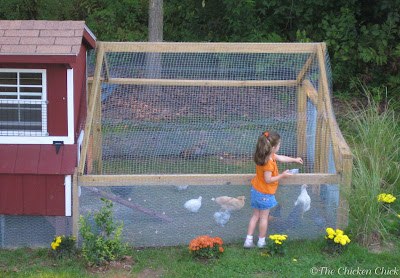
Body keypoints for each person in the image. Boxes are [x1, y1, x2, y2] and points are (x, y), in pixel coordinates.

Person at [244, 131, 303, 248]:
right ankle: (261, 241)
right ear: (273, 147)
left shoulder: (264, 155)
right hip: (264, 193)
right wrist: (282, 176)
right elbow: (268, 179)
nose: (279, 147)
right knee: (264, 217)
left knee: (255, 216)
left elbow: (280, 157)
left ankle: (248, 240)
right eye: (279, 145)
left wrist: (294, 159)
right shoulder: (268, 163)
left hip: (255, 190)